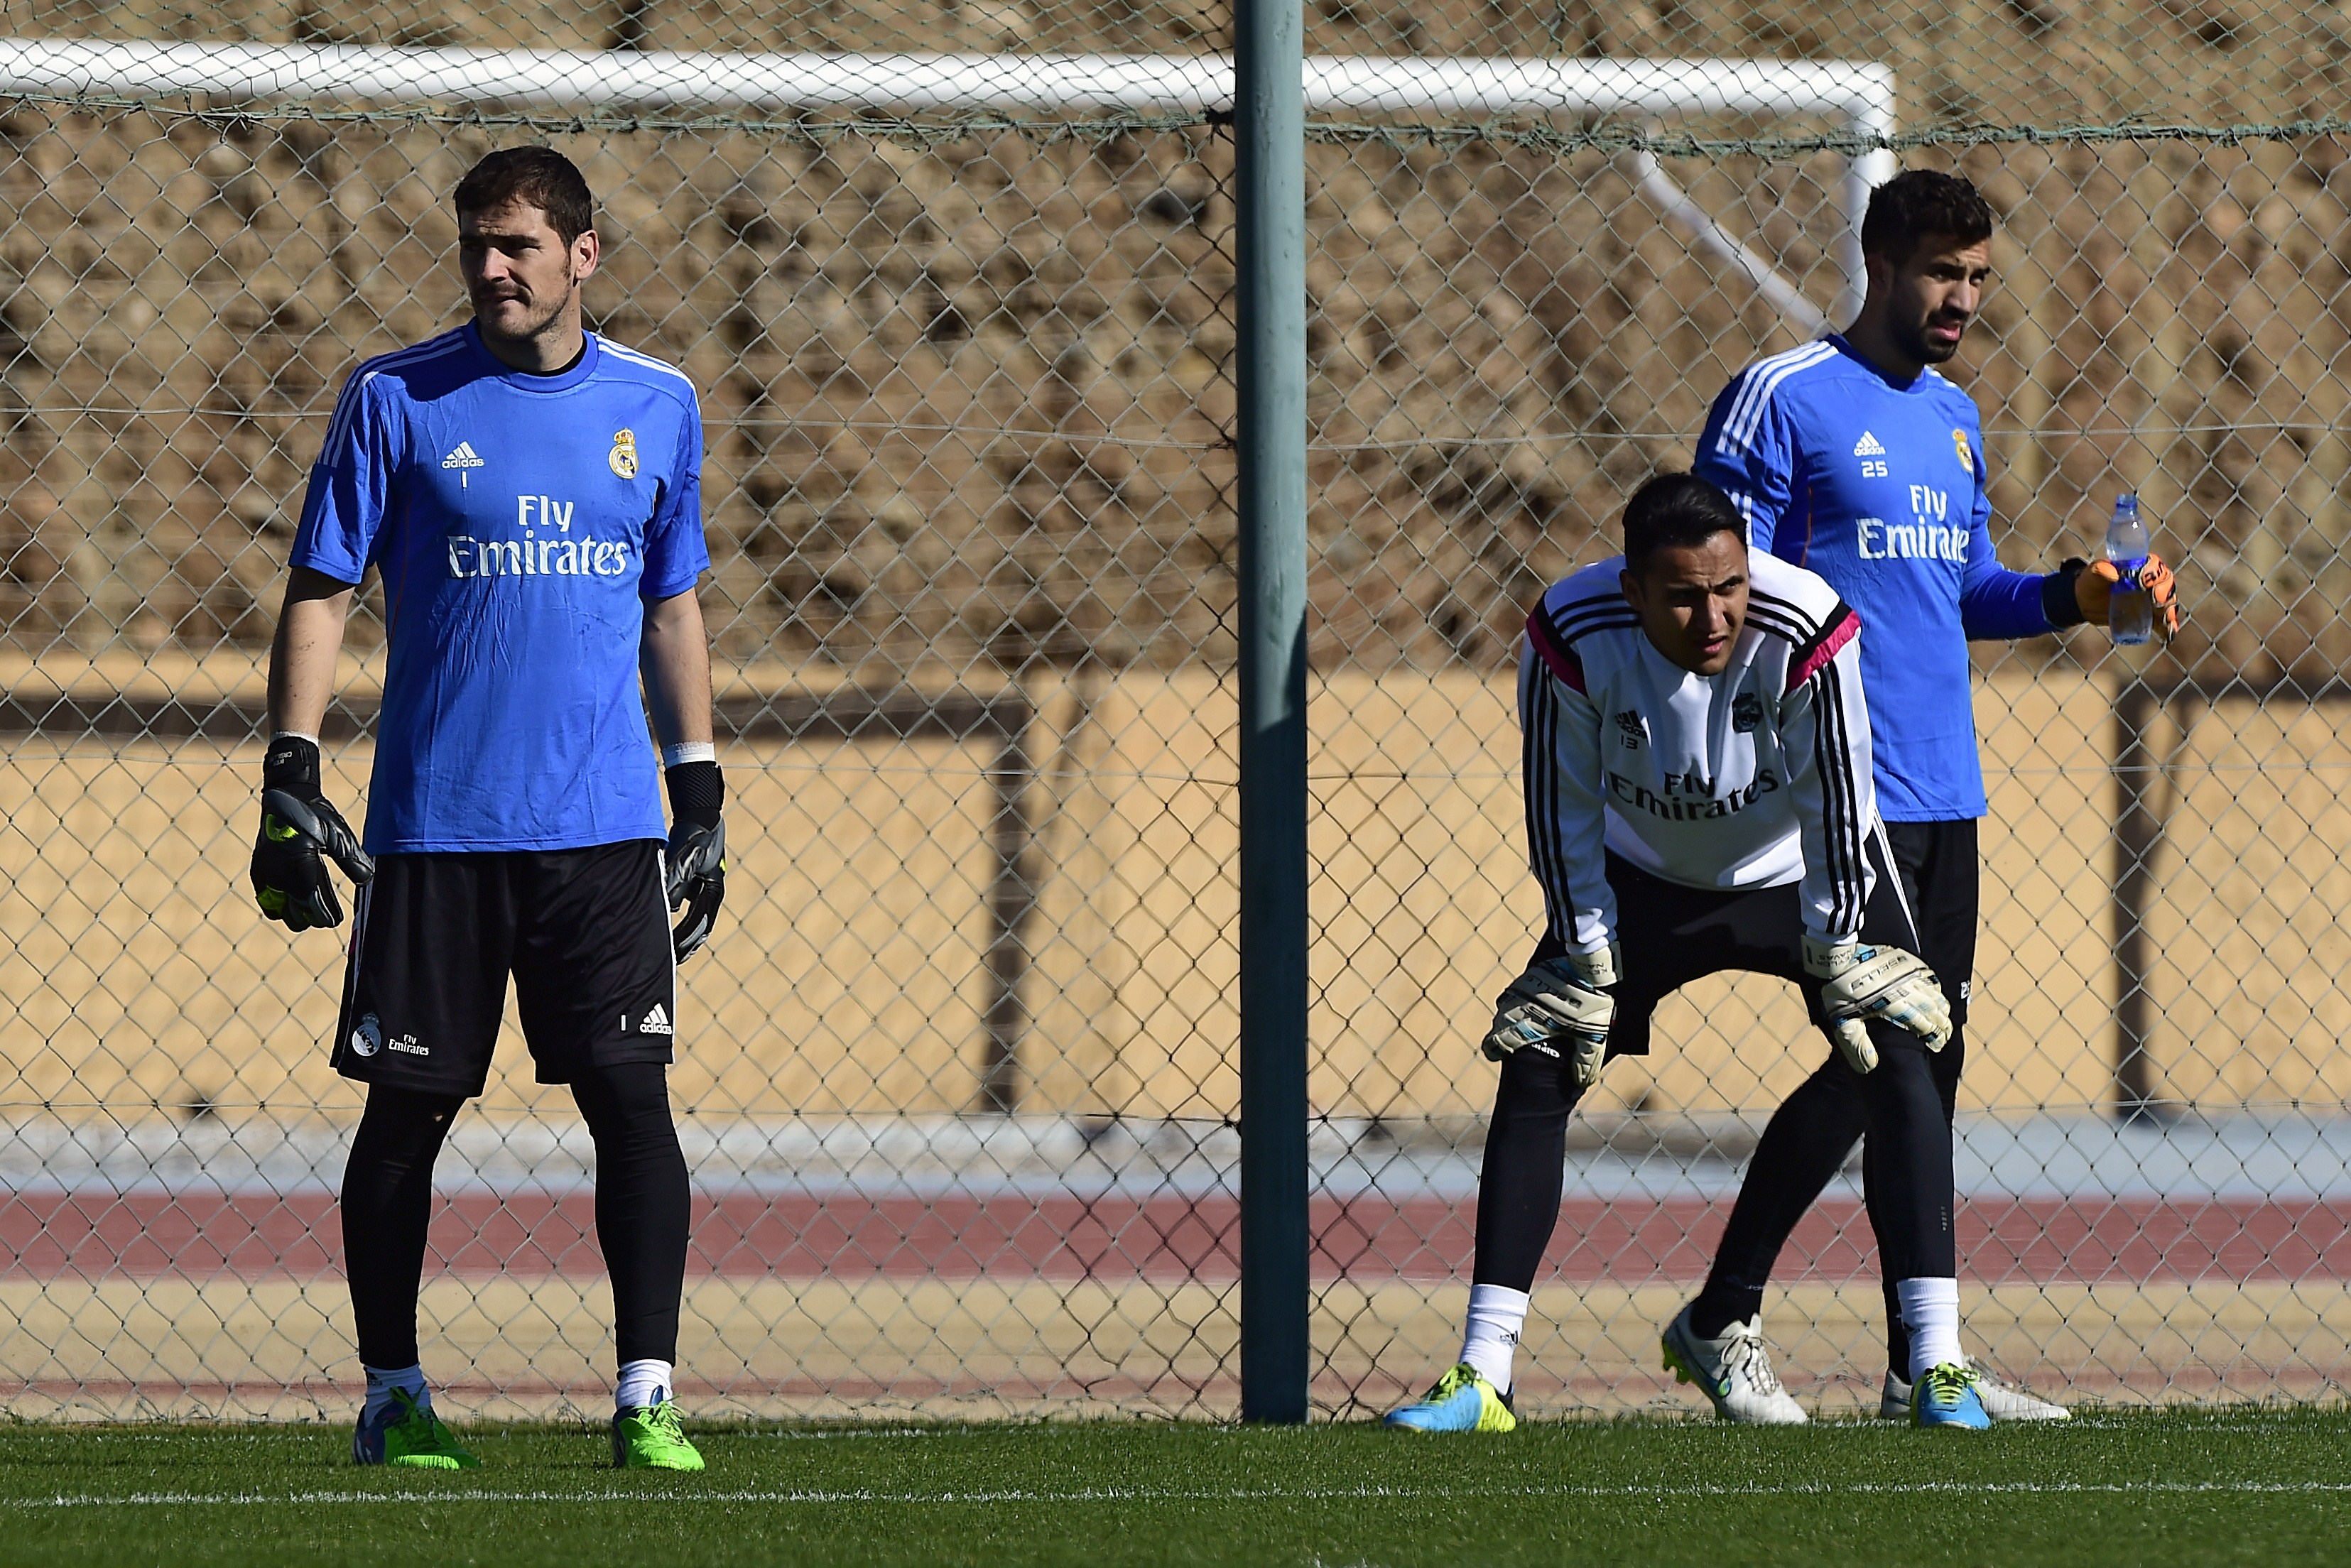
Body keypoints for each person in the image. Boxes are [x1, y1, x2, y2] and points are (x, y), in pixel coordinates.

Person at [1670, 167, 2181, 1425]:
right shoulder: (1779, 399)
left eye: (1978, 279)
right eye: (1943, 275)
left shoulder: (1951, 418)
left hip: (1945, 787)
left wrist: (2077, 596)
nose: (1961, 299)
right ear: (1882, 266)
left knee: (1911, 1069)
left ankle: (1866, 1350)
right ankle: (1862, 1346)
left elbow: (1962, 593)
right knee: (1889, 1057)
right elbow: (1711, 587)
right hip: (1835, 788)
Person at [251, 146, 728, 1471]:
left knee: (633, 1101)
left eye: (517, 244)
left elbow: (670, 601)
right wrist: (293, 767)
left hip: (601, 834)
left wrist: (699, 788)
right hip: (435, 829)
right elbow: (322, 589)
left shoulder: (660, 404)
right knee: (407, 1113)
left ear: (584, 254)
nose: (491, 269)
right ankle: (393, 1395)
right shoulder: (394, 398)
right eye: (474, 244)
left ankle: (645, 1399)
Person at [1382, 471, 1985, 1432]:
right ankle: (1480, 1378)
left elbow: (1841, 800)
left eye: (1728, 588)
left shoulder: (1807, 623)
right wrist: (1584, 947)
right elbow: (1560, 807)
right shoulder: (1568, 632)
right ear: (1630, 591)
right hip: (1642, 876)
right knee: (1539, 1064)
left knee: (1902, 1054)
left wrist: (1837, 949)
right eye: (1682, 595)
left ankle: (1937, 1369)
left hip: (1794, 870)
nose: (1713, 616)